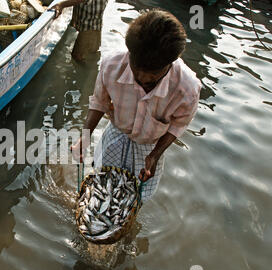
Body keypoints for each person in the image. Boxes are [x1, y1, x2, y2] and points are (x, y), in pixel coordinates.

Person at [72, 9, 202, 201]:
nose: (141, 78)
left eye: (152, 76)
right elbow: (99, 102)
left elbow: (178, 124)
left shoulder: (187, 88)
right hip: (116, 134)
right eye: (136, 69)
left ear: (169, 64)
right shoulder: (111, 65)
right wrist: (84, 137)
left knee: (136, 198)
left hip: (149, 146)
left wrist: (155, 155)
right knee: (101, 188)